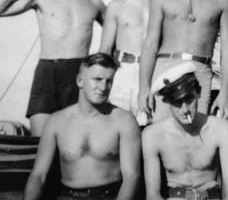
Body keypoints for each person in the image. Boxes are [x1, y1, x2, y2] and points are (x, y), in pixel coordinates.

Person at [0, 0, 105, 136]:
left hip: (79, 74)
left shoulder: (94, 2)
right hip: (47, 72)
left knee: (75, 140)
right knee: (41, 140)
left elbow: (116, 32)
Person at [24, 53, 141, 200]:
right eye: (97, 79)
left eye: (109, 81)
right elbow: (38, 175)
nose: (103, 87)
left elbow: (131, 176)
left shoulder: (124, 120)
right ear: (80, 81)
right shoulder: (57, 121)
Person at [142, 62, 228, 200]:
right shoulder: (153, 135)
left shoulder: (221, 129)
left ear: (198, 93)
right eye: (177, 102)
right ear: (166, 101)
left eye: (189, 99)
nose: (185, 109)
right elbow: (153, 194)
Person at [99, 0, 160, 126]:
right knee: (117, 129)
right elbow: (104, 51)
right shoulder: (117, 6)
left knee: (149, 132)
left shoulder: (163, 3)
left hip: (153, 74)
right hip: (122, 74)